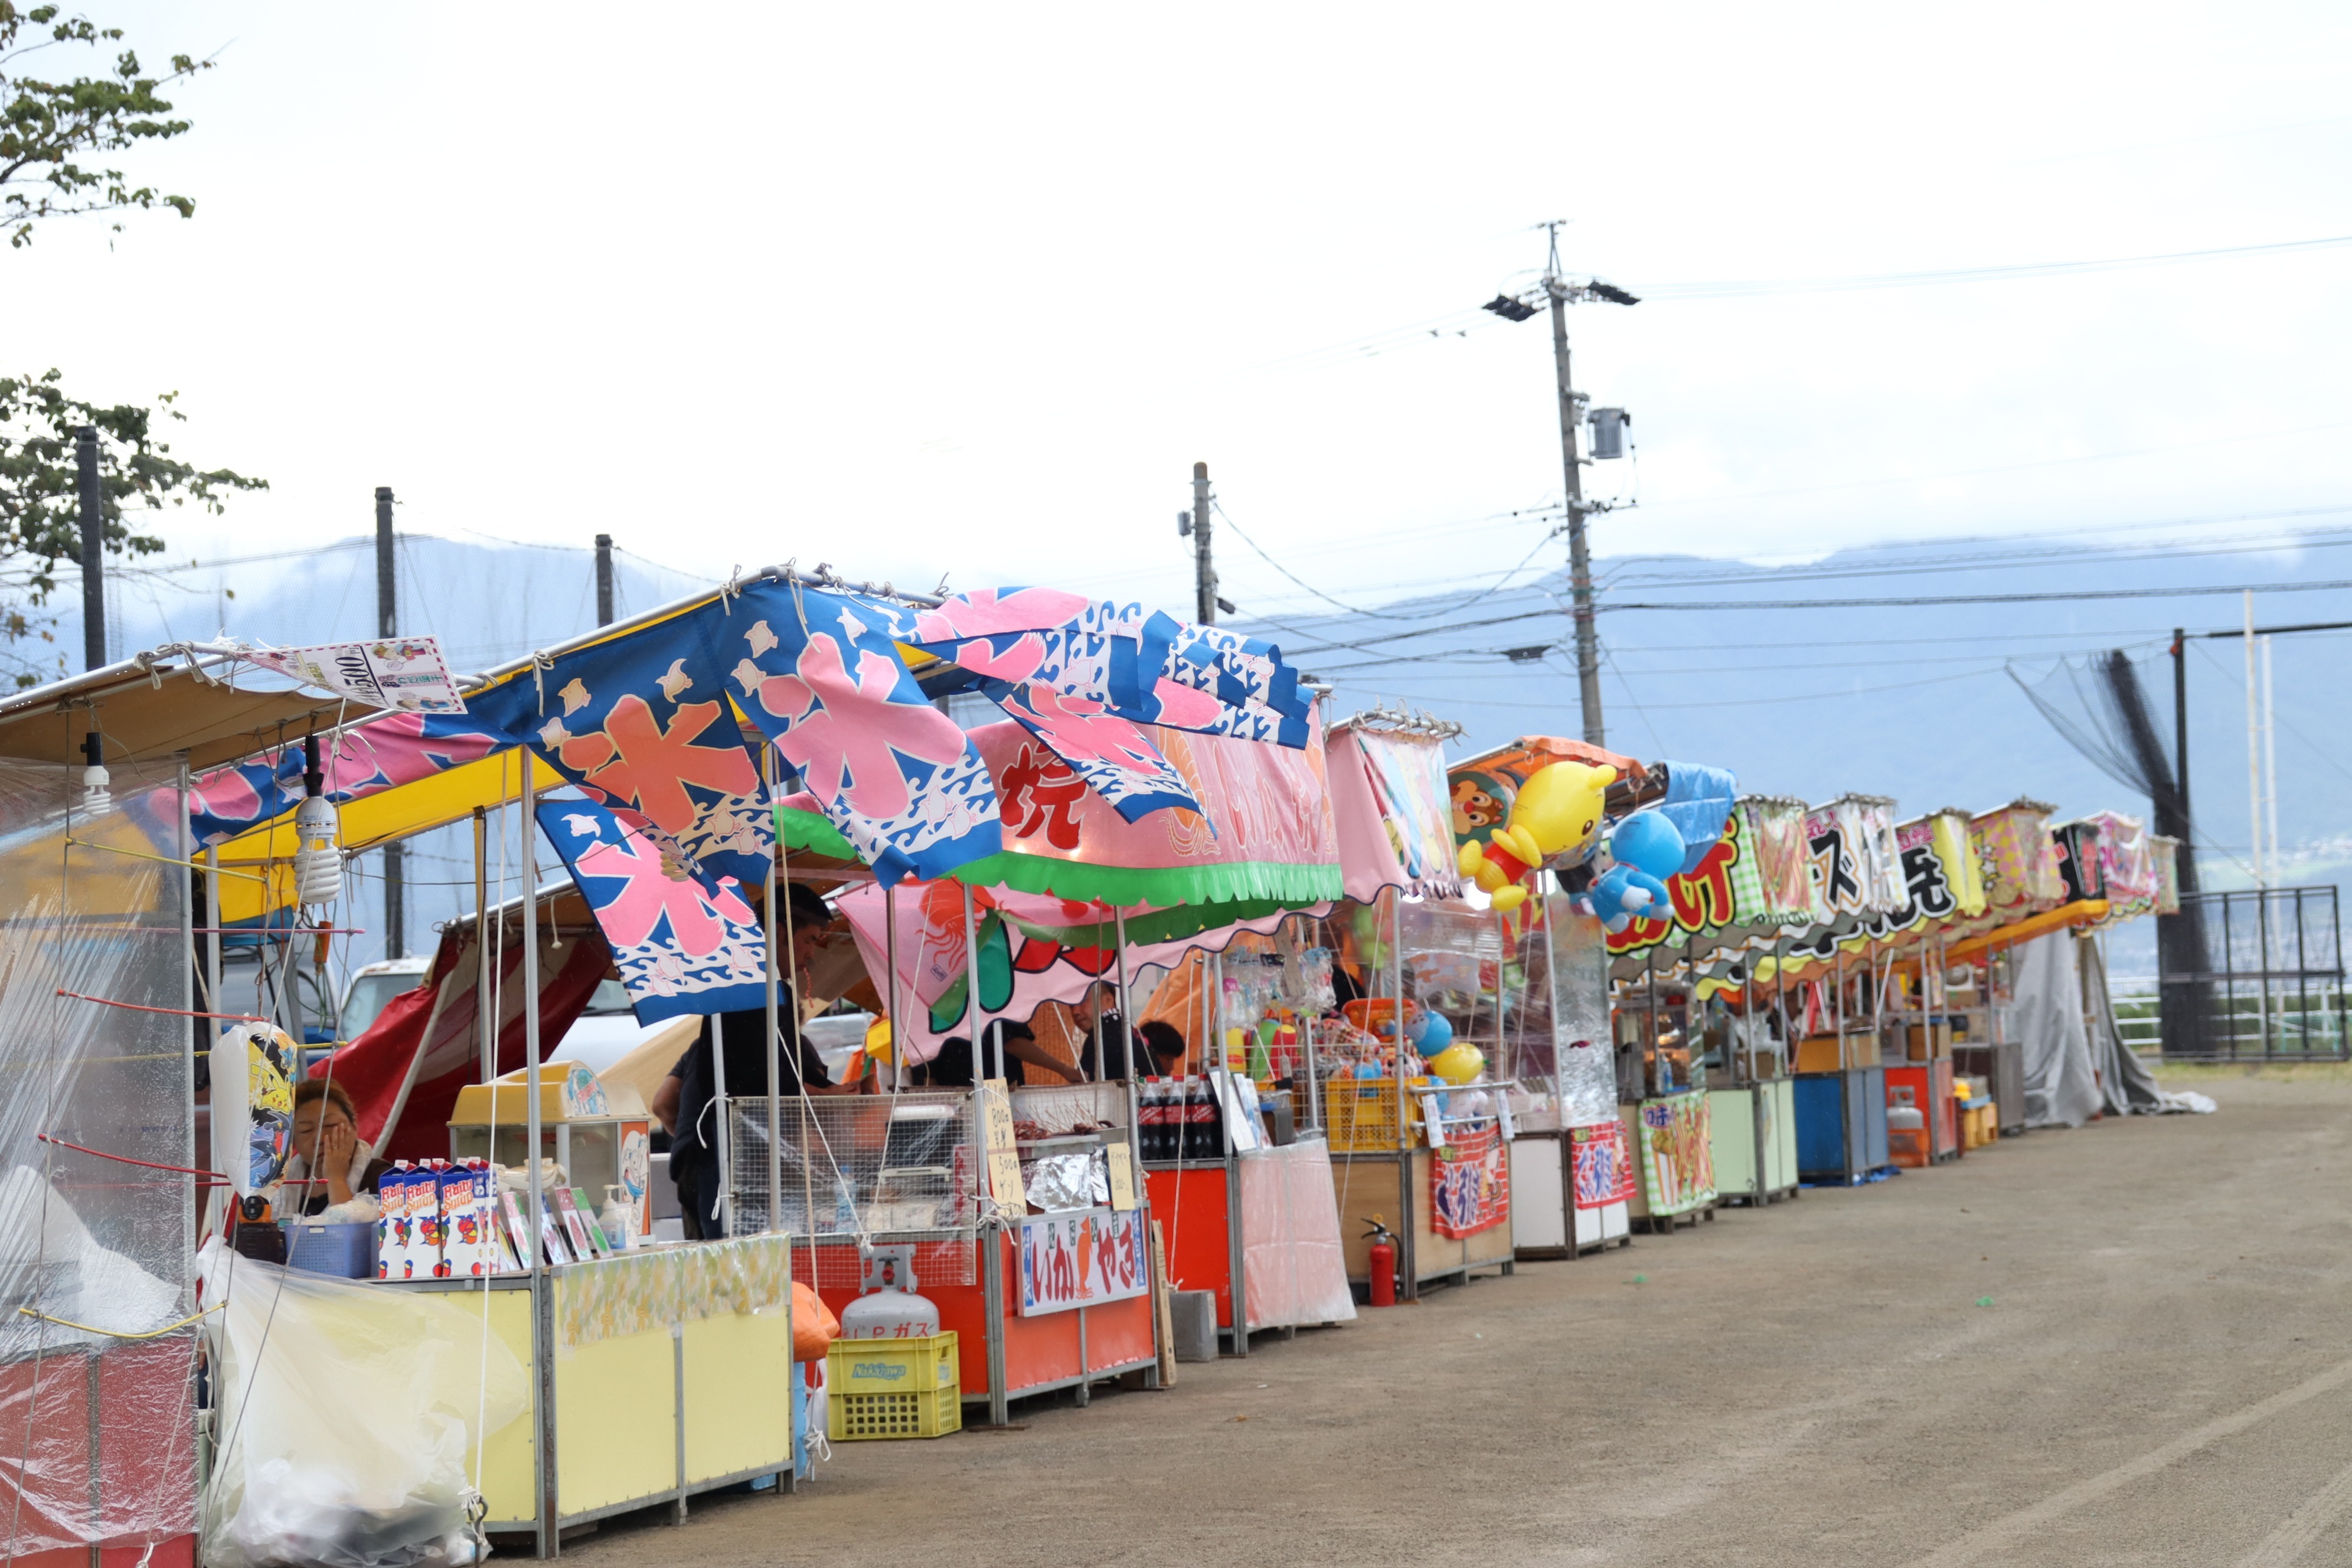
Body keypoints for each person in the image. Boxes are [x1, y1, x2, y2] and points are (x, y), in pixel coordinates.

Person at [652, 882, 842, 1238]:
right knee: (738, 1270)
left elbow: (784, 1072)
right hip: (728, 1165)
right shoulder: (766, 991)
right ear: (780, 932)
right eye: (809, 940)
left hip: (711, 1160)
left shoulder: (738, 985)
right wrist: (835, 1096)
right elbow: (783, 1086)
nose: (811, 955)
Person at [281, 1079, 390, 1221]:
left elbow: (348, 1237)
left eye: (330, 1125)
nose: (320, 1139)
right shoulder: (281, 1183)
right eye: (306, 1130)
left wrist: (336, 1178)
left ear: (354, 1125)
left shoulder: (382, 1177)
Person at [1068, 984, 1186, 1080]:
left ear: (1108, 1000)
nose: (1075, 1011)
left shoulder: (1100, 1036)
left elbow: (1082, 1087)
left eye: (1082, 1002)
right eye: (1071, 1006)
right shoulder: (1130, 1032)